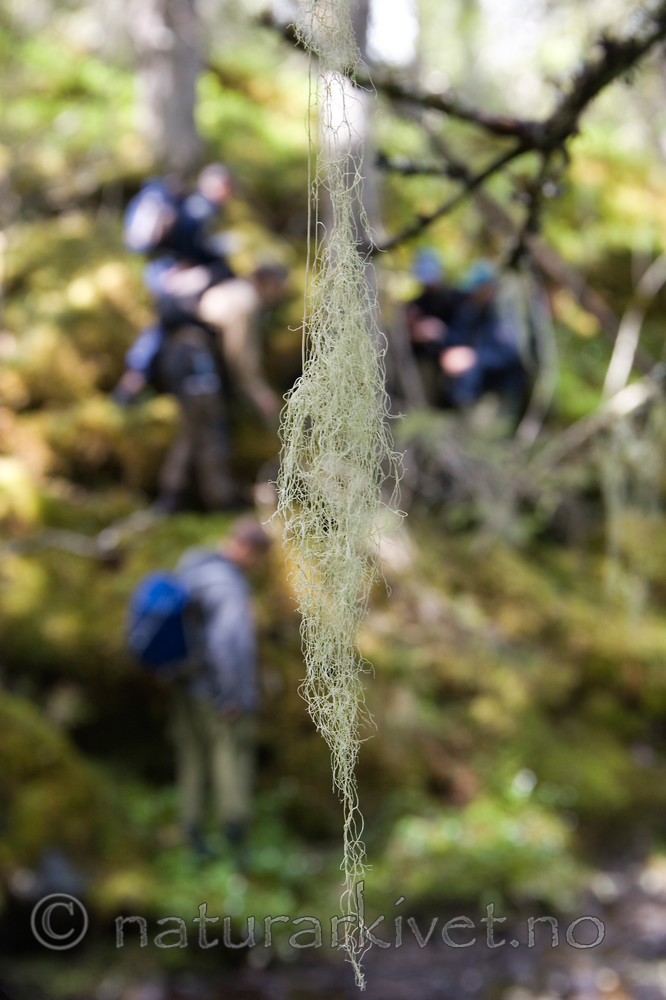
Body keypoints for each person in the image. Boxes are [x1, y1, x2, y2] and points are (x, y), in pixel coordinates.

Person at [169, 516, 272, 862]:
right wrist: (232, 695)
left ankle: (192, 834)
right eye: (256, 557)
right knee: (232, 754)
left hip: (184, 681)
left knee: (192, 756)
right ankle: (236, 838)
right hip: (215, 689)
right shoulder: (229, 586)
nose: (256, 565)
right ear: (246, 548)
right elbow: (229, 645)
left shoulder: (193, 566)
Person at [438, 259, 527, 415]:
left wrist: (473, 357)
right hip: (472, 389)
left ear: (488, 289)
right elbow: (456, 337)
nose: (472, 294)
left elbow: (511, 353)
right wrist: (440, 336)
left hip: (501, 391)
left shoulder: (503, 313)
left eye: (477, 289)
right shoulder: (471, 310)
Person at [404, 247, 465, 405]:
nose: (428, 285)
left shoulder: (456, 298)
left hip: (455, 357)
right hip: (425, 364)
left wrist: (440, 331)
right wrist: (414, 333)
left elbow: (467, 332)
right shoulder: (415, 305)